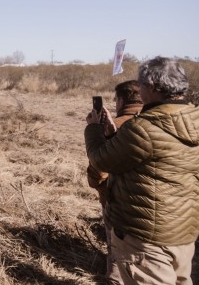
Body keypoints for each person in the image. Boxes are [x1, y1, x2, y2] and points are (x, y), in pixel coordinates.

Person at [85, 56, 199, 284]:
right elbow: (156, 160)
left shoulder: (143, 128)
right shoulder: (193, 119)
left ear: (153, 87)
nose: (140, 91)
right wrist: (115, 137)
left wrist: (93, 129)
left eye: (142, 85)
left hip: (146, 238)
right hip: (184, 231)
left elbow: (100, 160)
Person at [85, 80, 143, 285]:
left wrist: (100, 186)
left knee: (117, 258)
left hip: (117, 202)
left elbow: (99, 169)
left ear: (120, 101)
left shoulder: (116, 125)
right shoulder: (154, 124)